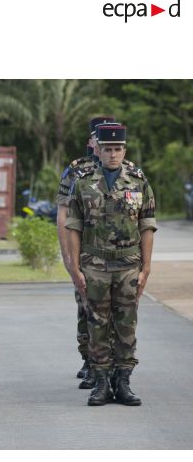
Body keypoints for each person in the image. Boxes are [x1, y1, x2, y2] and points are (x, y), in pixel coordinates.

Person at [65, 124, 157, 406]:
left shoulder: (138, 181)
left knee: (126, 325)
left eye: (118, 149)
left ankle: (124, 381)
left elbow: (147, 225)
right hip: (94, 265)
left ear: (124, 150)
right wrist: (76, 267)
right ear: (98, 150)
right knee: (97, 325)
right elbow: (73, 226)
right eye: (108, 149)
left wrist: (147, 267)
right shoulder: (82, 182)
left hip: (128, 265)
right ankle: (102, 383)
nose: (113, 154)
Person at [57, 116, 120, 389]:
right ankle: (91, 361)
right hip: (86, 254)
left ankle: (113, 366)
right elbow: (63, 217)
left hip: (119, 257)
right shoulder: (76, 171)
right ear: (91, 141)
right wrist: (68, 258)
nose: (104, 144)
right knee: (87, 309)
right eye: (98, 137)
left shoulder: (126, 171)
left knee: (118, 313)